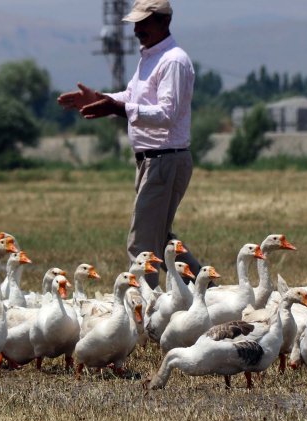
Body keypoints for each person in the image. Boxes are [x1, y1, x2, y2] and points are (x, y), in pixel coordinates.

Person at [57, 0, 201, 289]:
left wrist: (116, 108)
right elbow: (133, 95)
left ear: (163, 21)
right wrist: (100, 99)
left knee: (142, 246)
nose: (137, 30)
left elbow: (166, 114)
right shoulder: (151, 56)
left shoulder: (172, 60)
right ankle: (207, 292)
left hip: (165, 159)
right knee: (161, 240)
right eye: (135, 23)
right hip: (153, 161)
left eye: (143, 23)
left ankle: (144, 314)